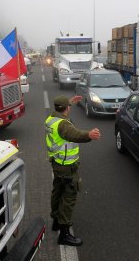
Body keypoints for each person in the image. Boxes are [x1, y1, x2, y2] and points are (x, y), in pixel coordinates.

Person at [44, 95, 100, 246]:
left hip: (57, 164)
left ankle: (56, 221)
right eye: (68, 106)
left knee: (57, 192)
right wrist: (89, 135)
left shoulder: (51, 119)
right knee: (68, 198)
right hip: (67, 166)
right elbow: (73, 134)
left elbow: (62, 109)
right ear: (66, 109)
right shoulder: (63, 125)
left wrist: (70, 102)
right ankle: (64, 234)